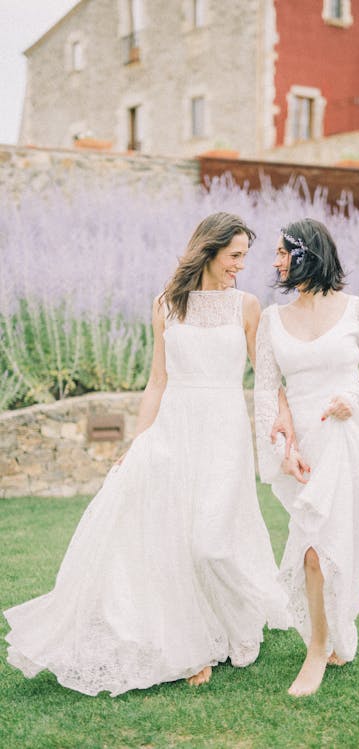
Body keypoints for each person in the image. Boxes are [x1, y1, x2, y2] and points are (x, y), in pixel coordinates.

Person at [4, 211, 290, 697]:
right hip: (173, 428)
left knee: (211, 541)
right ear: (210, 249)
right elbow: (157, 379)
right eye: (235, 255)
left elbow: (267, 375)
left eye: (245, 256)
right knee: (171, 539)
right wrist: (139, 440)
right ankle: (191, 640)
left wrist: (281, 418)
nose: (242, 265)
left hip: (223, 429)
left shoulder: (246, 305)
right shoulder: (165, 304)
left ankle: (235, 618)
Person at [254, 218, 359, 697]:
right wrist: (282, 450)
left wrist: (351, 400)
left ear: (306, 254)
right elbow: (268, 391)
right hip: (304, 452)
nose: (274, 262)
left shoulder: (358, 311)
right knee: (316, 546)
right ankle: (329, 636)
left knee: (323, 548)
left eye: (281, 251)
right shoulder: (273, 320)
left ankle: (317, 649)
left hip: (345, 440)